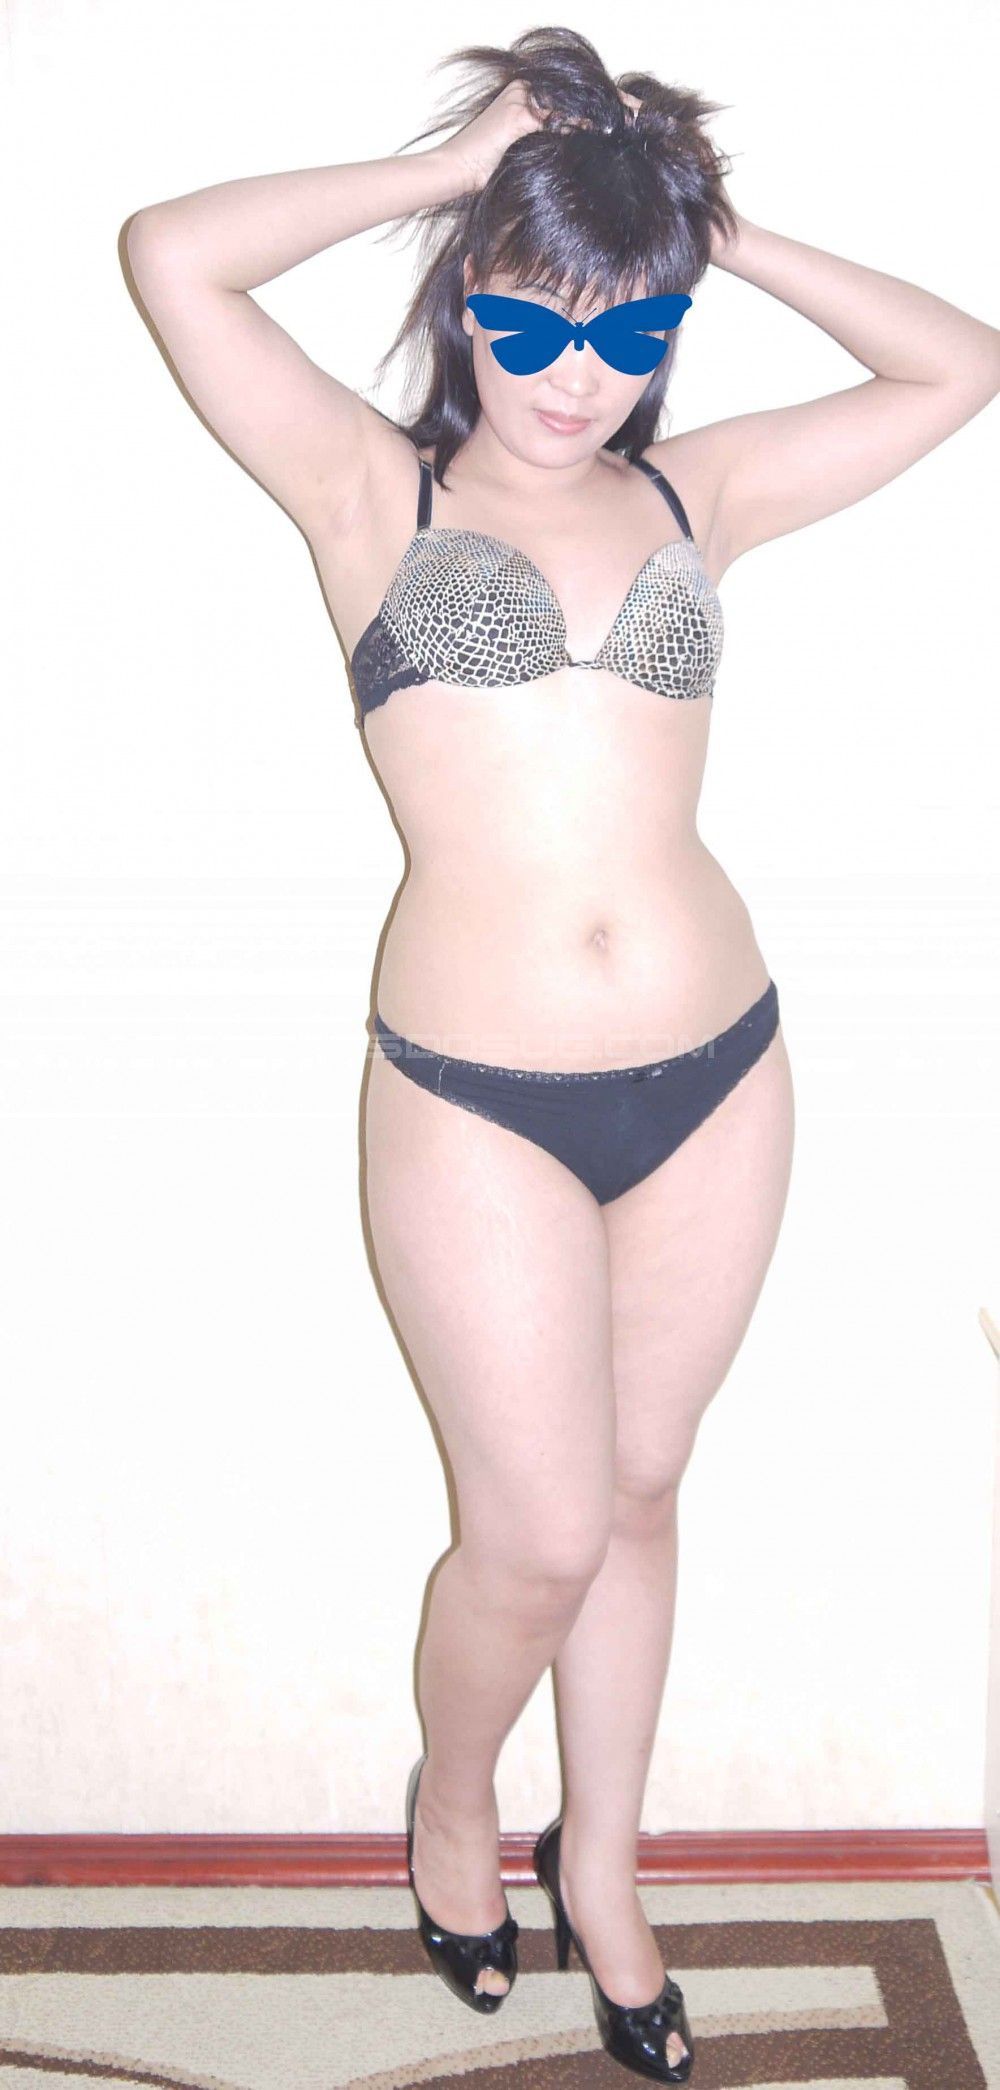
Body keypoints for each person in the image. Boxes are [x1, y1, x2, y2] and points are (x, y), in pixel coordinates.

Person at [123, 24, 1000, 2083]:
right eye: (529, 314)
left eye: (626, 328)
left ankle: (602, 1859)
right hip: (474, 1095)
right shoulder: (371, 489)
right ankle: (453, 1802)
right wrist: (453, 172)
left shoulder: (697, 489)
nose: (571, 371)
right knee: (531, 1532)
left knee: (639, 1487)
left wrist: (713, 227)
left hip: (719, 1070)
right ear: (467, 296)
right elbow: (170, 254)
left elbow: (959, 366)